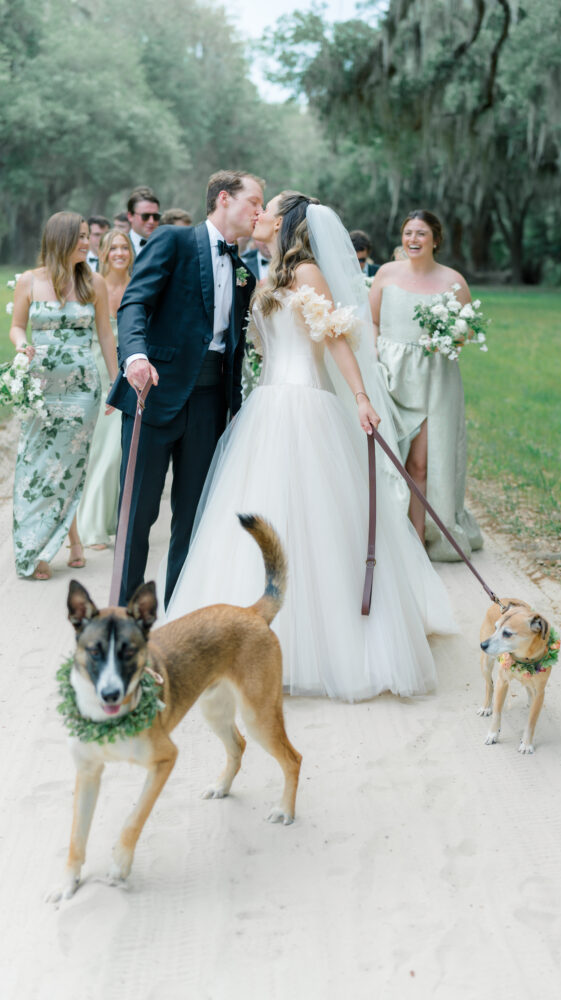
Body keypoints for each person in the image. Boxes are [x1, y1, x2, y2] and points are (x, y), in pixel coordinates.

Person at [165, 192, 456, 702]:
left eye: (267, 207)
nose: (258, 213)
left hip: (305, 405)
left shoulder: (306, 274)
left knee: (315, 521)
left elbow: (335, 338)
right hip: (268, 405)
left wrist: (362, 398)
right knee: (259, 513)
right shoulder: (268, 271)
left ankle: (316, 648)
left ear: (287, 221)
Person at [108, 169, 263, 606]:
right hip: (153, 394)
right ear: (224, 199)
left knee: (193, 519)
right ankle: (124, 617)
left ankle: (176, 615)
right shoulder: (174, 241)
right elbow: (135, 301)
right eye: (254, 201)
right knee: (137, 515)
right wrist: (135, 356)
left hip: (211, 406)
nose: (260, 211)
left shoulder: (244, 272)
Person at [9, 212, 118, 580]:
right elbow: (17, 327)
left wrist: (116, 382)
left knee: (70, 469)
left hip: (82, 391)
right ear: (61, 239)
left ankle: (62, 545)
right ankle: (39, 546)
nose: (87, 243)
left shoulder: (94, 283)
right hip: (40, 390)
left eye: (88, 236)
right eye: (81, 237)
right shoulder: (28, 281)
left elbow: (105, 336)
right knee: (36, 467)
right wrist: (22, 346)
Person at [369, 209, 482, 561]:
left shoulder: (453, 280)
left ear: (435, 239)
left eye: (421, 234)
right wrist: (374, 360)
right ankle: (384, 534)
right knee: (389, 460)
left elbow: (466, 331)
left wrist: (450, 339)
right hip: (389, 373)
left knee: (420, 464)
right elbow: (371, 321)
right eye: (408, 233)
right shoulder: (385, 274)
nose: (413, 240)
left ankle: (417, 543)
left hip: (434, 379)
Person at [76, 229, 133, 549]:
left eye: (125, 247)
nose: (120, 253)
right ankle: (93, 528)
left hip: (125, 373)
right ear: (105, 252)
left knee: (117, 453)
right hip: (94, 372)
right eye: (114, 248)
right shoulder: (92, 285)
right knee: (100, 452)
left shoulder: (138, 286)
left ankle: (104, 522)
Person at [126, 186, 161, 255]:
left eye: (156, 216)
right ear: (130, 216)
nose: (151, 221)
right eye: (145, 216)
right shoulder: (116, 247)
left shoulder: (165, 245)